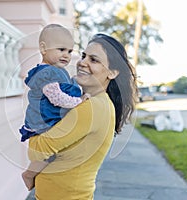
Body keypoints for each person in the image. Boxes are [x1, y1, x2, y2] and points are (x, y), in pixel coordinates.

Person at [25, 33, 138, 199]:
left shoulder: (92, 107)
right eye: (84, 56)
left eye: (94, 60)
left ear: (112, 73)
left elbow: (38, 150)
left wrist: (33, 129)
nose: (82, 62)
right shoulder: (93, 103)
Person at [20, 24, 90, 190]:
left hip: (51, 117)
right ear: (43, 48)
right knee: (49, 153)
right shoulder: (47, 73)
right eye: (61, 49)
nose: (66, 55)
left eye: (69, 51)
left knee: (58, 151)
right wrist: (79, 101)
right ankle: (29, 174)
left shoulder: (55, 70)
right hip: (44, 119)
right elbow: (57, 97)